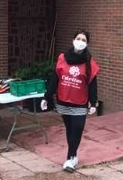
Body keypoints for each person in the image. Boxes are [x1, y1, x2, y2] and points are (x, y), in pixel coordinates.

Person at [42, 30, 99, 172]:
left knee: (78, 129)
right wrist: (47, 96)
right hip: (64, 100)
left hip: (80, 102)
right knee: (70, 129)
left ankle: (70, 157)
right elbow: (55, 79)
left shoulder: (89, 63)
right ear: (73, 40)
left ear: (87, 44)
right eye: (78, 38)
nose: (80, 41)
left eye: (84, 40)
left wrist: (93, 102)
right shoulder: (62, 58)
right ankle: (73, 156)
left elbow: (92, 83)